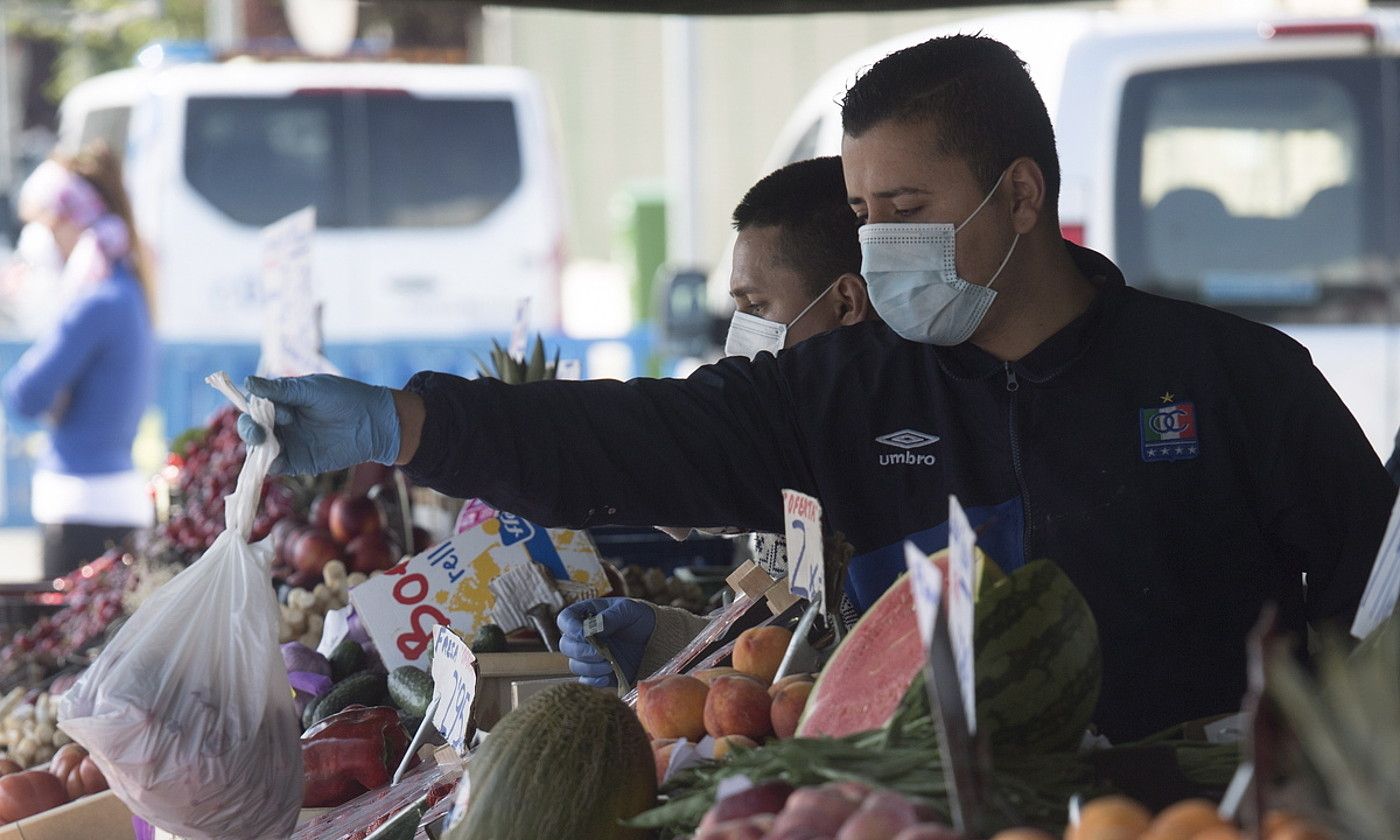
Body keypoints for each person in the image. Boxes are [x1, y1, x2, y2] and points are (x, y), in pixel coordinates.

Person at [236, 35, 1395, 743]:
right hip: (917, 806)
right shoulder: (840, 392)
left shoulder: (1229, 378)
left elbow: (1374, 600)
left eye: (905, 211)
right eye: (859, 214)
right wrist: (406, 422)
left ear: (1020, 197)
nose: (876, 244)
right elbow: (632, 435)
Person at [577, 156, 876, 686]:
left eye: (757, 307)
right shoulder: (775, 443)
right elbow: (779, 626)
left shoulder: (891, 454)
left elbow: (851, 661)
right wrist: (666, 642)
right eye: (737, 308)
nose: (741, 334)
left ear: (846, 302)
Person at [2, 143, 156, 578]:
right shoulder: (126, 289)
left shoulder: (95, 302)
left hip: (82, 511)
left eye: (51, 227)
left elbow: (24, 396)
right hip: (107, 502)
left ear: (75, 223)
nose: (45, 242)